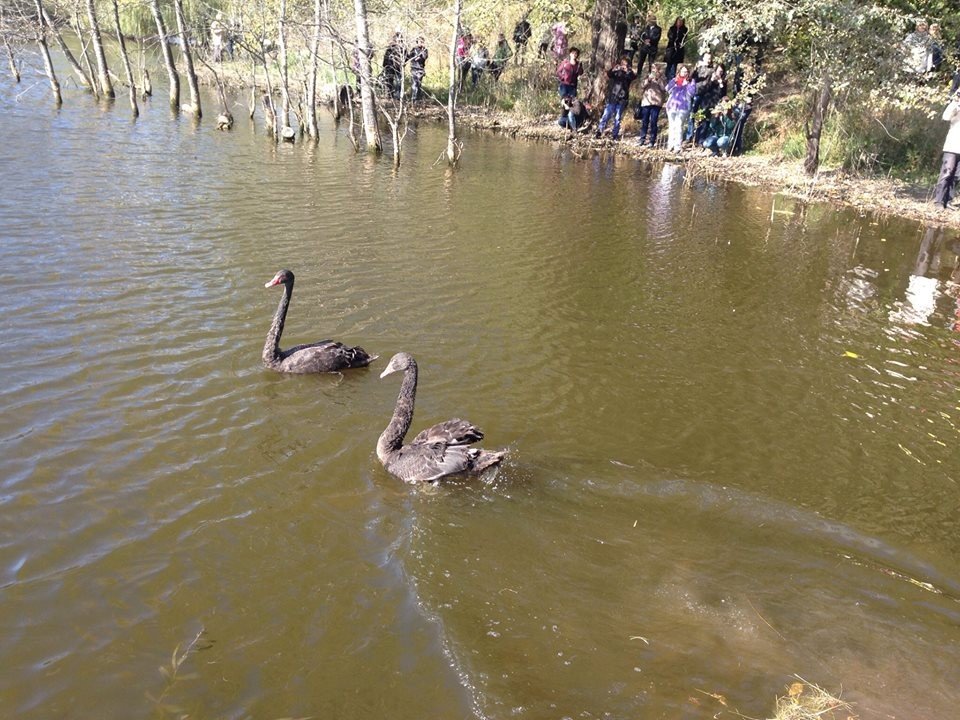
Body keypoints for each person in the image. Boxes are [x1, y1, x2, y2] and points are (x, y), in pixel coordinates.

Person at [595, 56, 637, 141]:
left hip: (623, 98)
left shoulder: (629, 73)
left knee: (617, 117)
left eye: (625, 64)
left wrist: (627, 70)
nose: (623, 65)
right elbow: (609, 75)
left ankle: (615, 134)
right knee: (606, 114)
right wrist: (614, 68)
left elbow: (633, 77)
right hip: (613, 96)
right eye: (622, 63)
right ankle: (599, 131)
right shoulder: (617, 72)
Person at [933, 91, 960, 209]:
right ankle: (939, 201)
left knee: (957, 176)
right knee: (947, 173)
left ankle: (948, 200)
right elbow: (945, 116)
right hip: (952, 146)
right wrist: (956, 104)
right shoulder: (955, 106)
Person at [665, 64, 696, 153]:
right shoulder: (675, 80)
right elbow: (667, 89)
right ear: (679, 72)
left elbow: (692, 93)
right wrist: (674, 82)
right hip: (671, 106)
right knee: (672, 126)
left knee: (679, 126)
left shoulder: (691, 81)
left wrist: (687, 85)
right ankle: (670, 145)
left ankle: (677, 147)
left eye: (686, 71)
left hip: (683, 107)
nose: (684, 73)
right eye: (683, 71)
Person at [634, 65, 666, 146]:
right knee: (645, 121)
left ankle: (652, 140)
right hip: (646, 103)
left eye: (656, 70)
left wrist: (658, 80)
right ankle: (642, 139)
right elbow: (642, 86)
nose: (654, 72)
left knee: (653, 122)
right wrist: (648, 80)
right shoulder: (646, 77)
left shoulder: (663, 78)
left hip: (656, 103)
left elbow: (664, 89)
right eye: (653, 70)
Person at [664, 17, 688, 81]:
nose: (679, 23)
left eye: (681, 21)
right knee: (668, 64)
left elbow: (683, 38)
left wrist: (678, 39)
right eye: (678, 21)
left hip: (679, 50)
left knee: (675, 65)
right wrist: (675, 37)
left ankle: (672, 80)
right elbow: (670, 36)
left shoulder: (685, 29)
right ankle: (666, 78)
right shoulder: (672, 28)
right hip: (671, 49)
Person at [381, 32, 404, 99]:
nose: (399, 40)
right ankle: (389, 95)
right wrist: (385, 66)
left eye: (400, 39)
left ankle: (398, 97)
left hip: (398, 67)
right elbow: (386, 57)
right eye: (398, 38)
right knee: (389, 82)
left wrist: (403, 63)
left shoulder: (403, 48)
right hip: (389, 67)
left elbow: (406, 57)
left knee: (398, 82)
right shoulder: (390, 47)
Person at [407, 36, 428, 102]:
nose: (421, 43)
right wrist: (415, 58)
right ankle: (413, 99)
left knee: (418, 84)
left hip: (420, 69)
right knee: (414, 84)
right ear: (417, 42)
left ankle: (417, 99)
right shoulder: (414, 49)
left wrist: (421, 55)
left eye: (422, 42)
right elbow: (409, 57)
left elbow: (425, 57)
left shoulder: (425, 50)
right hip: (414, 68)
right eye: (420, 42)